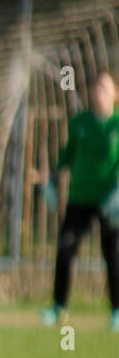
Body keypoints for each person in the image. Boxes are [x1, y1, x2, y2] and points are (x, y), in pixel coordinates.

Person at [41, 70, 119, 331]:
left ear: (115, 94)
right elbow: (65, 157)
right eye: (96, 87)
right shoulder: (80, 123)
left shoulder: (117, 124)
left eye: (104, 88)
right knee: (65, 249)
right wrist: (51, 183)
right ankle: (57, 307)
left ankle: (117, 311)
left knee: (114, 255)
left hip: (111, 202)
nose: (99, 93)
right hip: (80, 198)